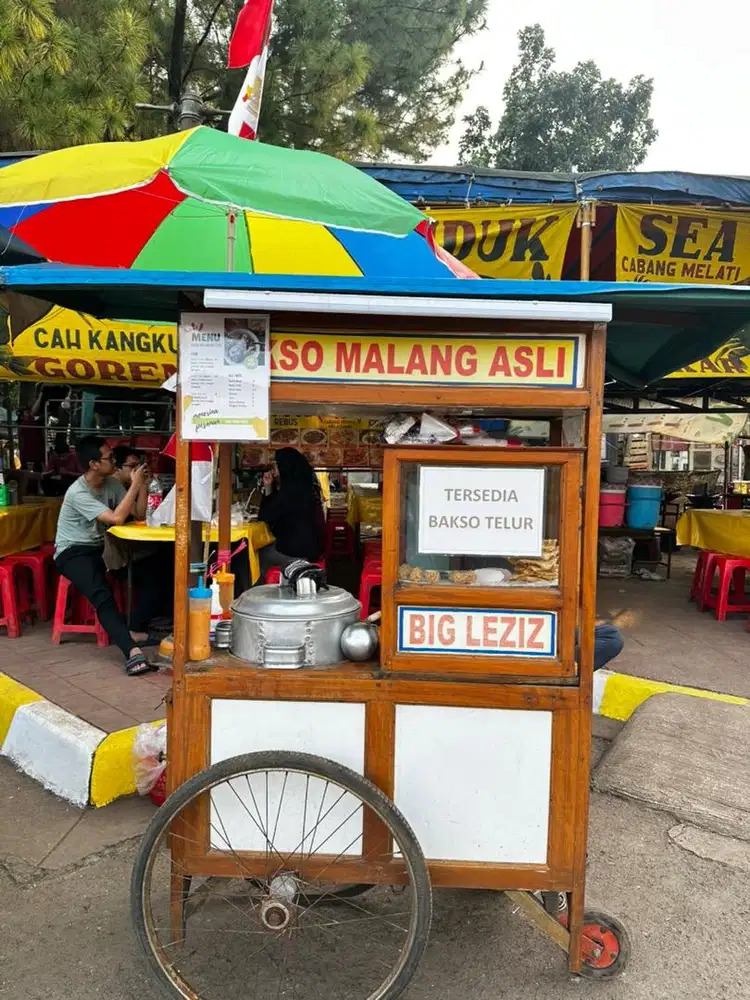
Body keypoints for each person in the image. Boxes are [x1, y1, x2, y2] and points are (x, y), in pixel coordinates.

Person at [53, 436, 164, 676]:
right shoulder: (78, 492)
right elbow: (116, 519)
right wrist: (133, 485)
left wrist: (142, 485)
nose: (114, 461)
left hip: (102, 548)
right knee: (102, 595)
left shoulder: (111, 484)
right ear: (93, 463)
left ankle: (133, 627)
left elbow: (138, 513)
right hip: (73, 552)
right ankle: (132, 651)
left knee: (156, 566)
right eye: (109, 458)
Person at [257, 447, 326, 577]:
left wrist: (267, 487)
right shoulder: (305, 487)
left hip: (296, 553)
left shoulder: (289, 492)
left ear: (285, 466)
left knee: (259, 554)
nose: (274, 467)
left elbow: (265, 516)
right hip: (311, 548)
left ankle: (261, 590)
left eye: (276, 464)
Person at [17, 385, 45, 469]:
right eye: (26, 413)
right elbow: (34, 410)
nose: (28, 414)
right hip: (30, 454)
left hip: (33, 454)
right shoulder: (25, 423)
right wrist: (41, 394)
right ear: (22, 416)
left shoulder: (26, 423)